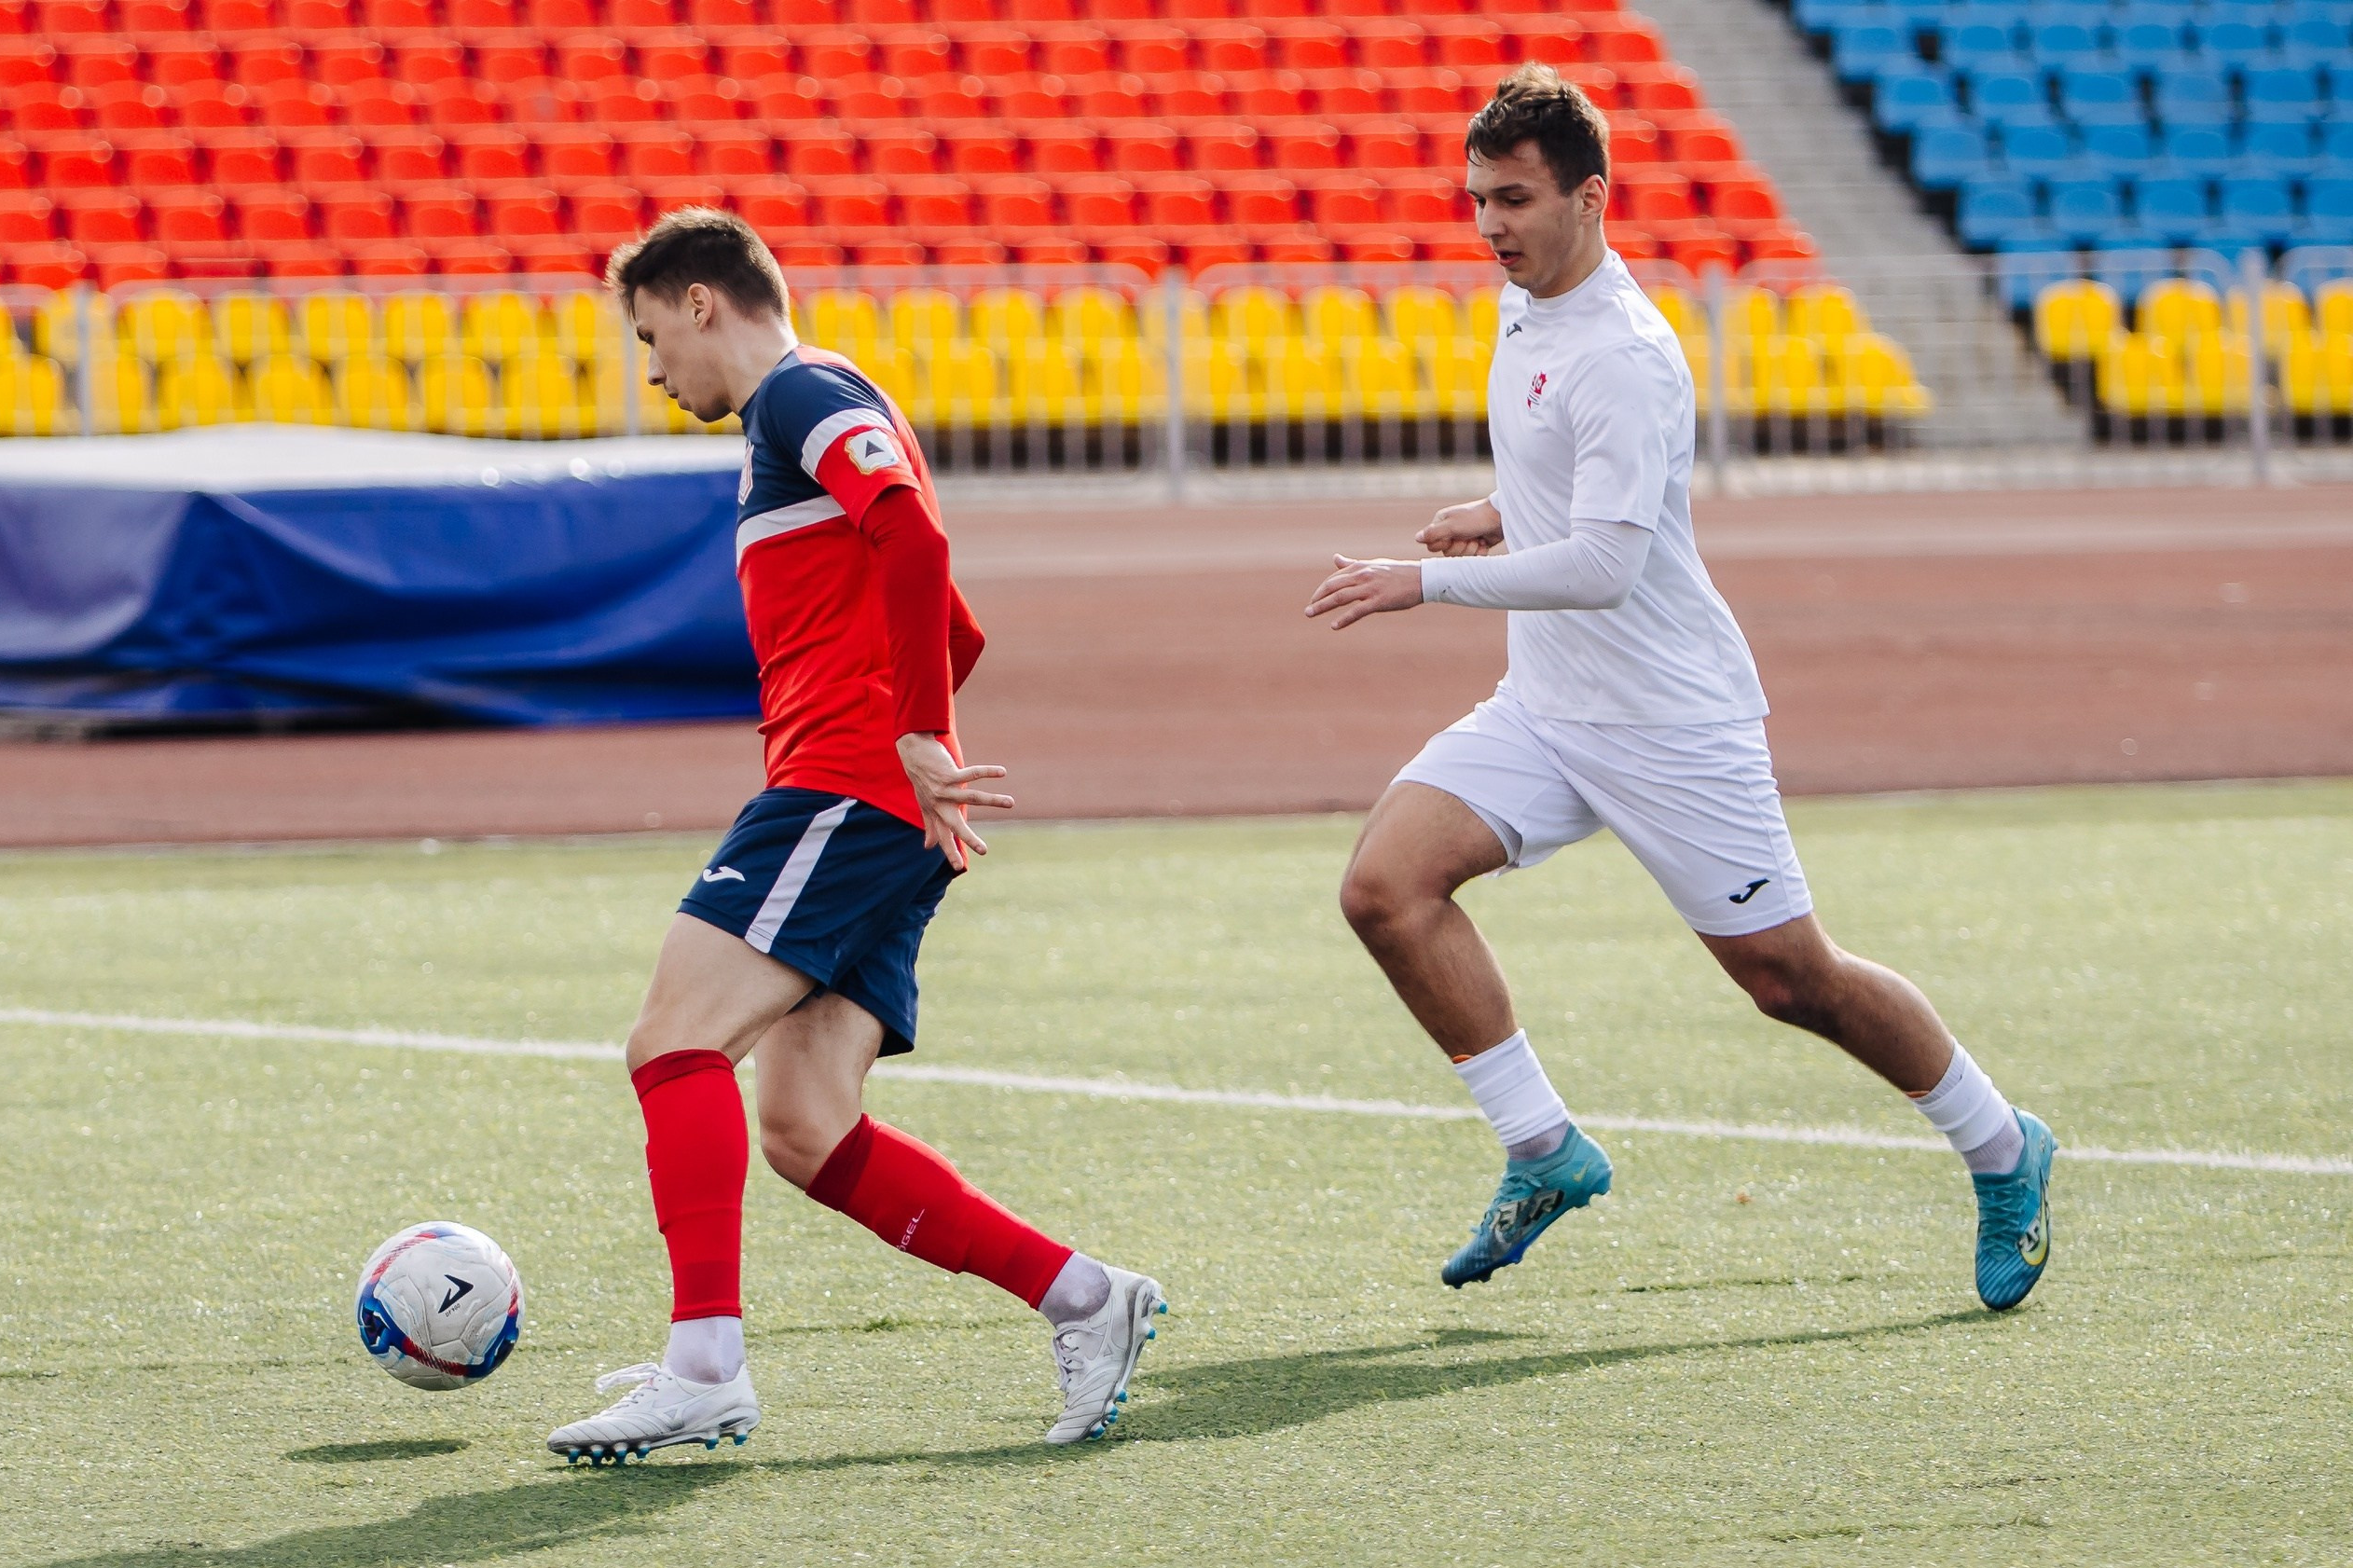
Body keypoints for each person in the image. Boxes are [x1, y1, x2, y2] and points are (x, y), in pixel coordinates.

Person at [1302, 67, 2055, 1313]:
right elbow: (1593, 493)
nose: (1491, 225)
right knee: (1387, 888)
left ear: (1591, 197)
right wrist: (1504, 510)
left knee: (1790, 980)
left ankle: (2001, 1143)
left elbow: (1609, 562)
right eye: (1479, 198)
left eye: (1516, 200)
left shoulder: (1626, 353)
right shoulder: (1529, 304)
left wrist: (1415, 584)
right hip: (1549, 706)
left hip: (1669, 719)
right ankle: (1544, 1149)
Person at [548, 210, 1164, 1464]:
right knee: (807, 1128)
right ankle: (1088, 1298)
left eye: (656, 337)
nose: (657, 373)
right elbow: (953, 616)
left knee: (673, 1044)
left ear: (705, 303)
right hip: (874, 798)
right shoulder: (821, 405)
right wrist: (915, 737)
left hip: (845, 789)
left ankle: (704, 1367)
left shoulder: (798, 394)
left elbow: (917, 537)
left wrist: (911, 738)